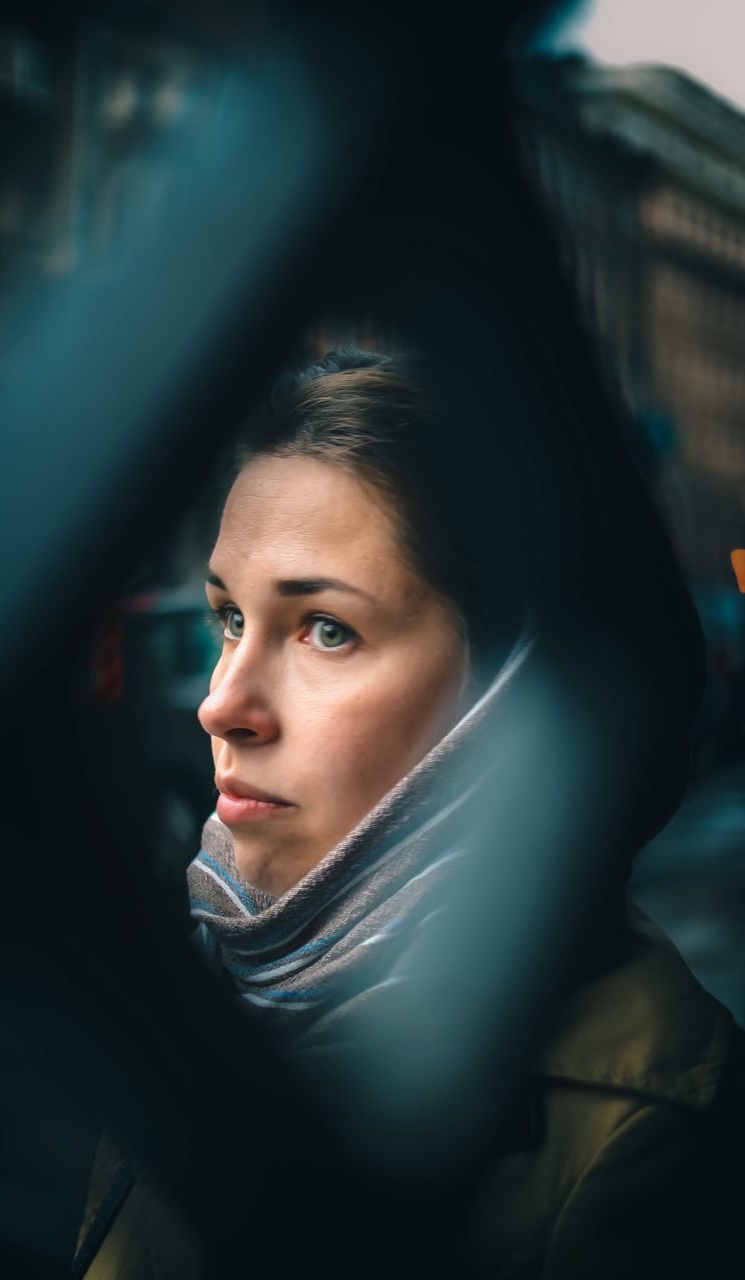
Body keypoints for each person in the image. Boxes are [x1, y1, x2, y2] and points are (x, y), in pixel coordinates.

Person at [75, 348, 743, 1279]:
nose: (221, 703)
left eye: (326, 630)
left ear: (505, 694)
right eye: (229, 619)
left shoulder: (638, 1131)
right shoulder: (207, 981)